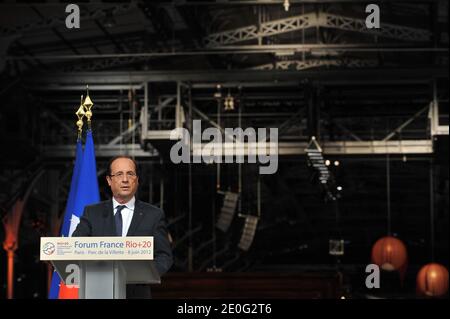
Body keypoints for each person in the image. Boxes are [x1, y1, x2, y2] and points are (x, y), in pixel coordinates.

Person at [72, 155, 173, 298]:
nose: (125, 179)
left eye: (130, 174)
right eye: (119, 174)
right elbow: (75, 246)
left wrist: (144, 274)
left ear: (137, 180)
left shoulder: (154, 215)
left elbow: (164, 256)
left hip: (137, 293)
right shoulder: (92, 212)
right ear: (109, 180)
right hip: (99, 292)